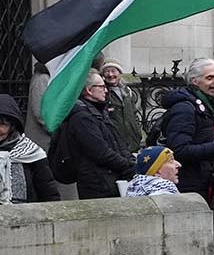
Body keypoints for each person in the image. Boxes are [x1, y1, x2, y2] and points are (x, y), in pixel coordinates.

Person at [160, 58, 214, 203]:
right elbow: (180, 150)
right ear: (195, 81)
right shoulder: (185, 109)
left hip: (202, 181)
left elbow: (200, 141)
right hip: (188, 186)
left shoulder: (206, 106)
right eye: (210, 78)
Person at [53, 69, 135, 199]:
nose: (106, 90)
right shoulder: (81, 118)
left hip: (110, 179)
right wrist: (127, 166)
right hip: (98, 184)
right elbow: (100, 152)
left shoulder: (99, 111)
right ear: (89, 90)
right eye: (101, 87)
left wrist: (131, 162)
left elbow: (118, 142)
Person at [0, 94, 58, 203]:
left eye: (2, 125)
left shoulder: (32, 153)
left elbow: (48, 192)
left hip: (26, 211)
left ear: (12, 126)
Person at [100, 60, 144, 154]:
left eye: (113, 71)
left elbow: (134, 114)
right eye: (107, 71)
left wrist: (138, 133)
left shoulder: (127, 91)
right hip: (114, 144)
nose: (110, 74)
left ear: (120, 73)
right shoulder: (102, 92)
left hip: (133, 142)